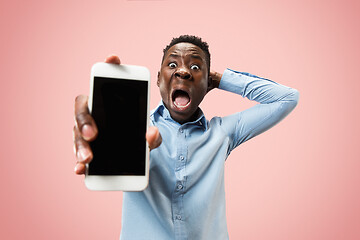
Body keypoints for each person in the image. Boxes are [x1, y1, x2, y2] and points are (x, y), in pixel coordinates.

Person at [73, 35, 299, 240]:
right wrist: (95, 132)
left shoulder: (222, 133)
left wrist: (220, 79)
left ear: (207, 83)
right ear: (159, 79)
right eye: (173, 65)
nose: (183, 72)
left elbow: (287, 98)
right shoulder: (137, 128)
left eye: (194, 66)